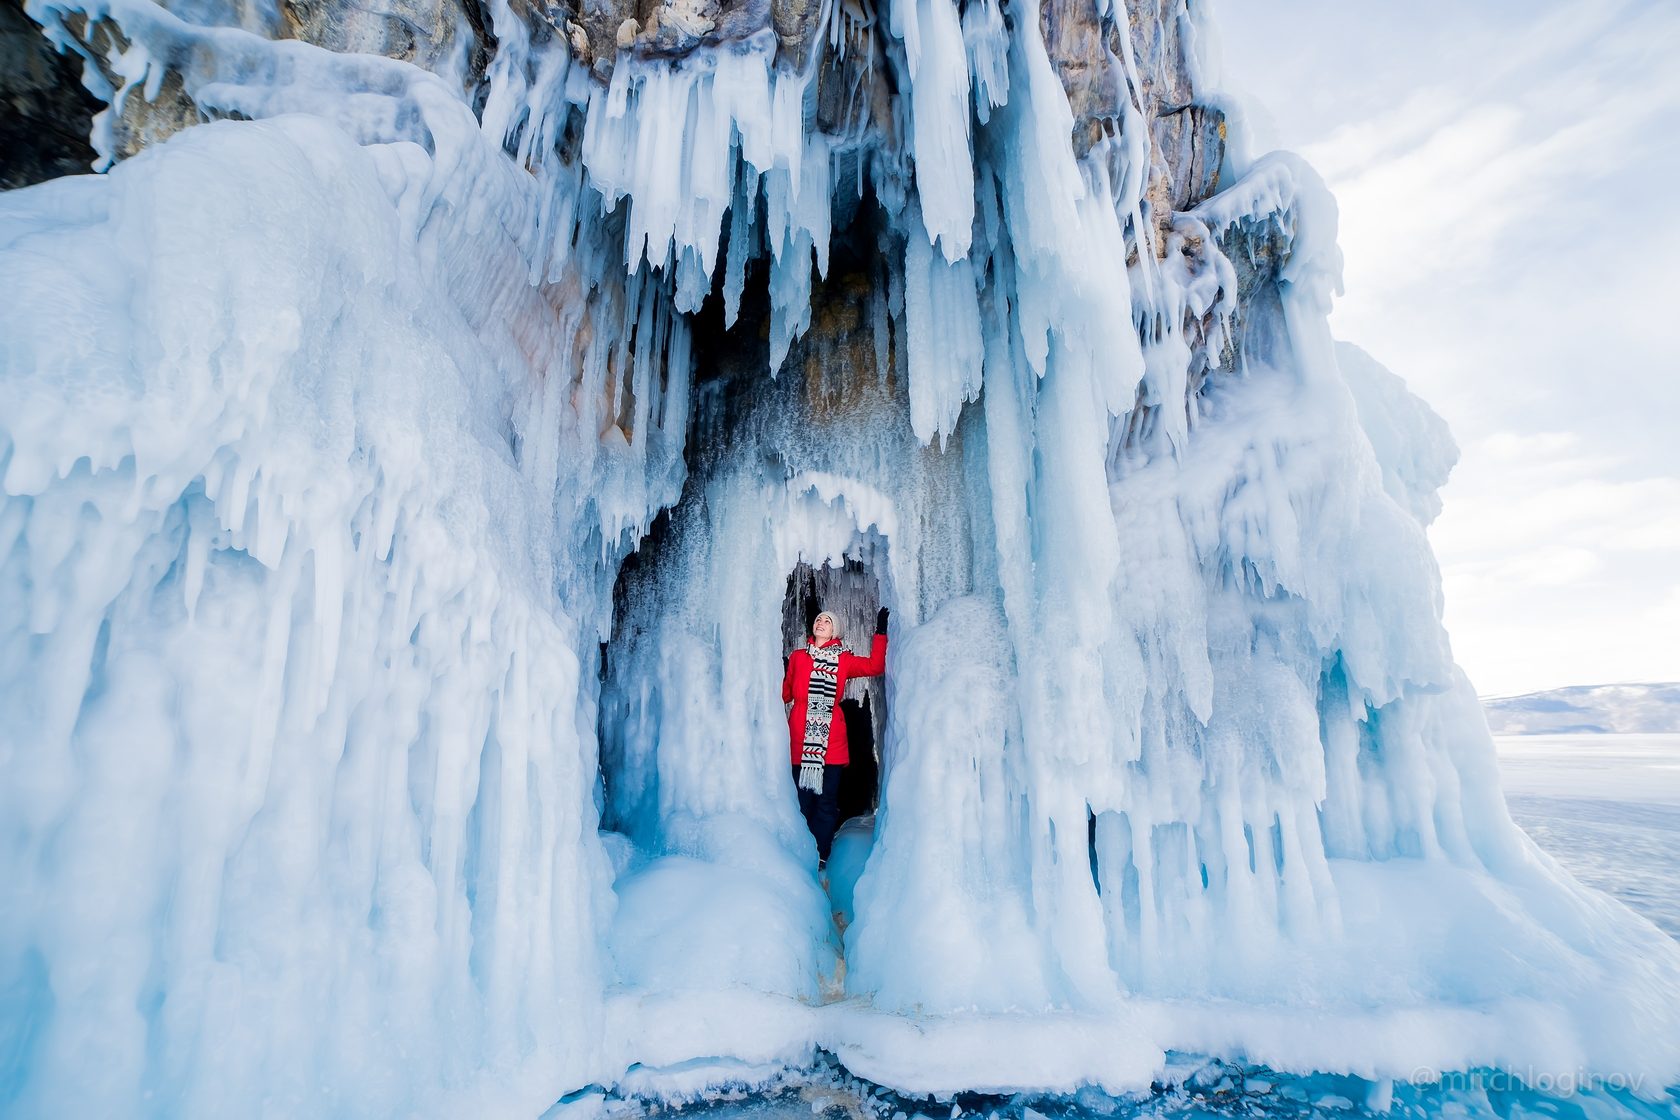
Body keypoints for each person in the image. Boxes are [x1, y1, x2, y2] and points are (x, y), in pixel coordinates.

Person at [782, 606, 888, 866]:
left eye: (827, 621)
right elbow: (784, 693)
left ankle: (821, 853)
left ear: (835, 631)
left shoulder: (844, 660)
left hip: (832, 740)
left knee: (826, 801)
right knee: (800, 800)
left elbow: (875, 666)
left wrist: (880, 632)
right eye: (819, 619)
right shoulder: (797, 657)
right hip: (800, 736)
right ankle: (798, 852)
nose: (821, 623)